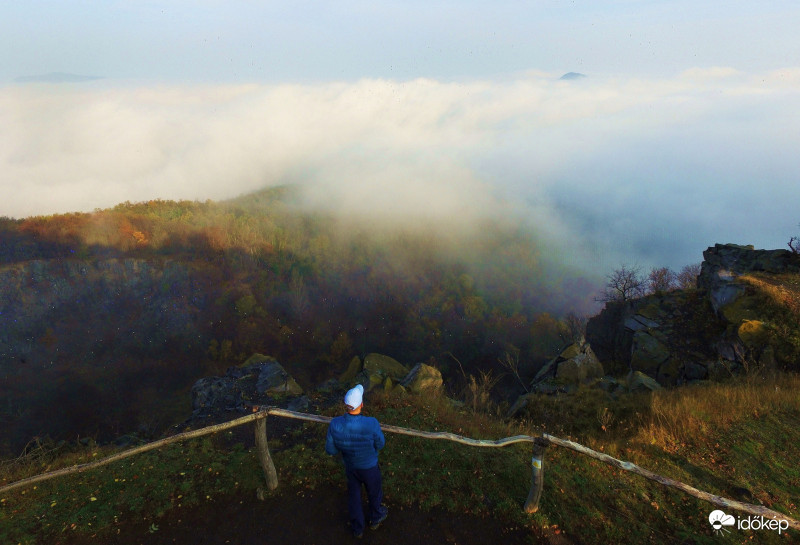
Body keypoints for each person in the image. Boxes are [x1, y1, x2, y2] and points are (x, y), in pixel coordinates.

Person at [325, 384, 389, 538]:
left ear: (346, 406)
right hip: (370, 467)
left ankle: (357, 528)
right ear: (361, 404)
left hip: (351, 467)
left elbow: (331, 450)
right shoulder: (371, 423)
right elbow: (381, 443)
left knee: (354, 496)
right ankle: (375, 518)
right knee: (374, 493)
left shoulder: (335, 424)